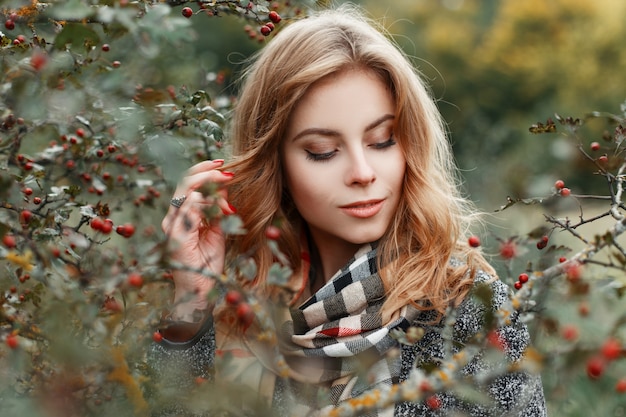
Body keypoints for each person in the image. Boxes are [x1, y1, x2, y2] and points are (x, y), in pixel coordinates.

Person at [151, 5, 546, 416]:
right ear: (275, 163)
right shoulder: (239, 308)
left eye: (382, 140)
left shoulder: (468, 309)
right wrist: (190, 307)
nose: (362, 172)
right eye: (322, 151)